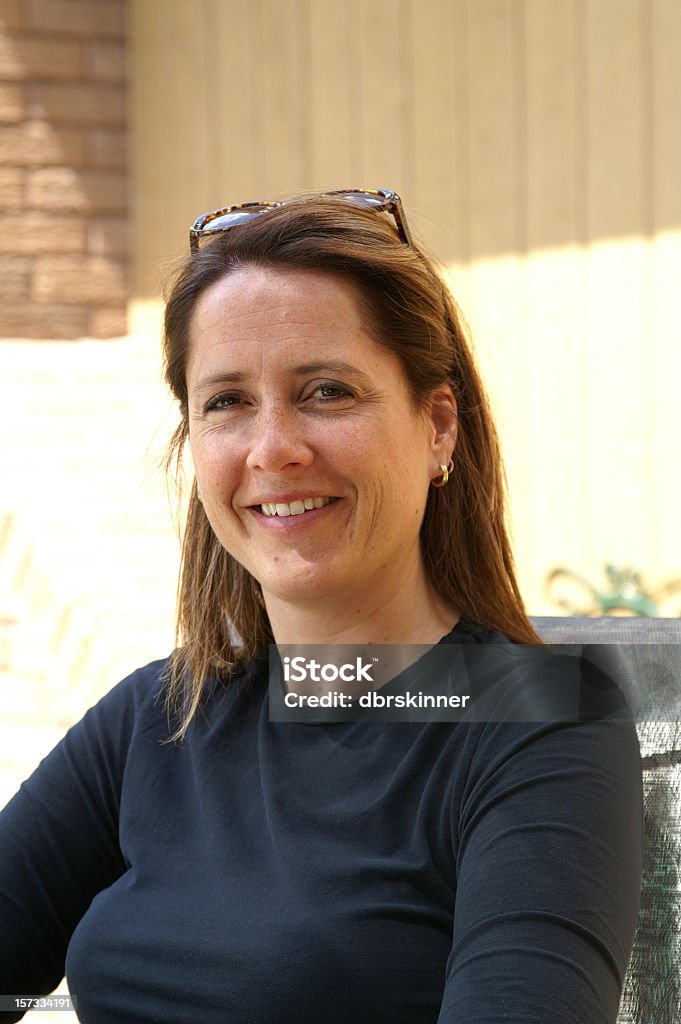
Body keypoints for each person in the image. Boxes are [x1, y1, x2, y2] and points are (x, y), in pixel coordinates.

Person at [0, 189, 642, 1023]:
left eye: (327, 391)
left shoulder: (544, 722)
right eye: (227, 401)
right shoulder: (159, 718)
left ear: (437, 426)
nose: (274, 449)